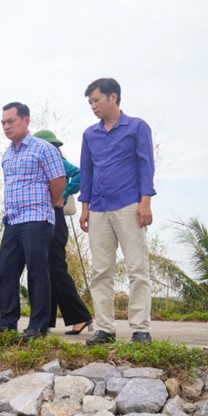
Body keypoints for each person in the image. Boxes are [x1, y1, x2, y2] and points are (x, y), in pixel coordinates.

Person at [79, 78, 156, 345]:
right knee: (101, 271)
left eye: (96, 100)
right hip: (98, 208)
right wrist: (85, 208)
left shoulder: (136, 127)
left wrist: (145, 202)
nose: (93, 106)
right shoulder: (90, 134)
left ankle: (141, 329)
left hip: (129, 205)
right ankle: (105, 329)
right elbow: (87, 171)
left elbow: (146, 165)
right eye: (90, 103)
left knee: (137, 268)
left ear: (113, 97)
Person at [0, 103, 66, 341]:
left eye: (11, 121)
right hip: (12, 220)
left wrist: (47, 204)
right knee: (6, 270)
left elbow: (58, 182)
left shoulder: (44, 148)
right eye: (3, 123)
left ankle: (38, 326)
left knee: (37, 272)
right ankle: (7, 322)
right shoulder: (7, 154)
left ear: (26, 120)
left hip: (36, 218)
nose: (6, 126)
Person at [32, 129, 93, 335]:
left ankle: (79, 316)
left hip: (55, 217)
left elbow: (81, 174)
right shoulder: (37, 163)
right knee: (44, 268)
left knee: (56, 267)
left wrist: (63, 193)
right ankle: (46, 320)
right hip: (40, 215)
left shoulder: (58, 161)